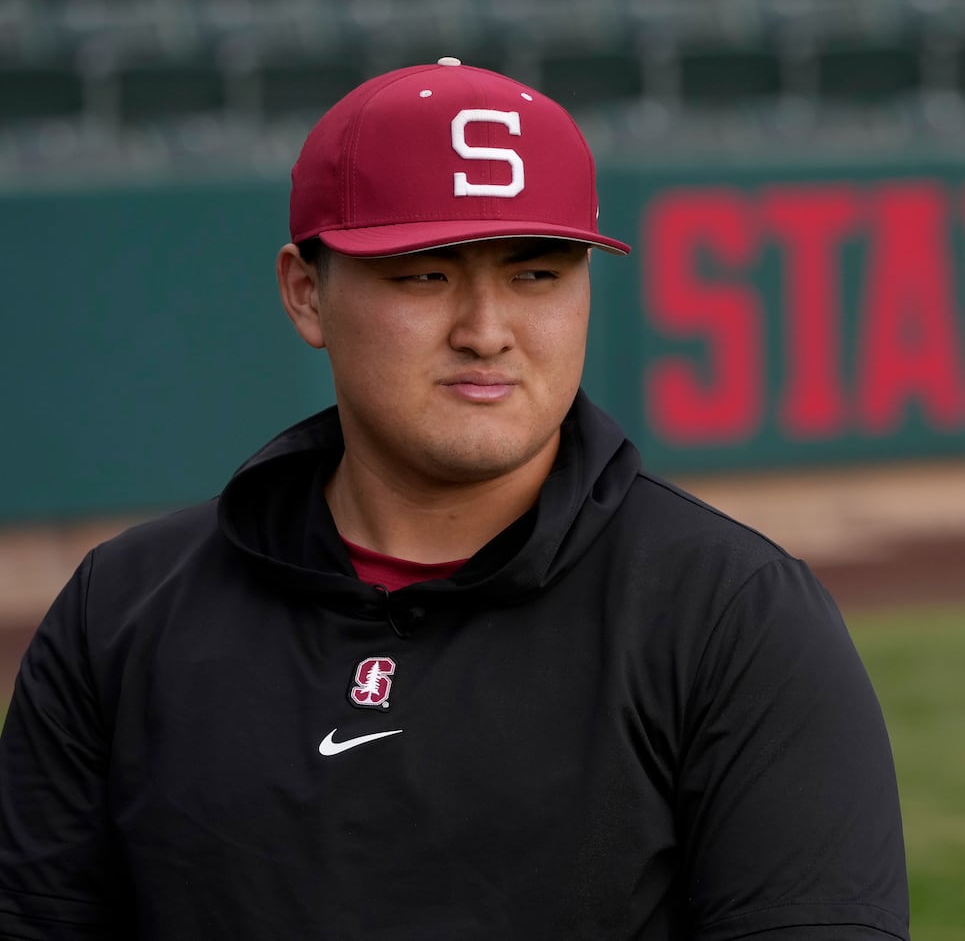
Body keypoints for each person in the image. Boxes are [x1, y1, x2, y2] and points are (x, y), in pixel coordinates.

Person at [0, 58, 910, 940]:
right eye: (425, 274)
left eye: (536, 273)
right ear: (304, 291)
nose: (486, 331)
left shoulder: (733, 617)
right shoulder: (120, 612)